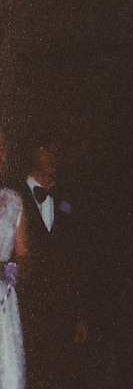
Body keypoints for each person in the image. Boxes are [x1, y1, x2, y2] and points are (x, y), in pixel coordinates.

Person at [15, 130, 88, 388]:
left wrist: (80, 313)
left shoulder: (69, 198)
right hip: (25, 310)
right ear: (34, 152)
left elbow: (77, 260)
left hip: (62, 312)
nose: (53, 156)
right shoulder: (14, 196)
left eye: (58, 151)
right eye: (47, 150)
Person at [0, 125, 26, 389]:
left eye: (3, 147)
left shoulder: (14, 202)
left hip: (4, 304)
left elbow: (24, 254)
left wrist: (14, 269)